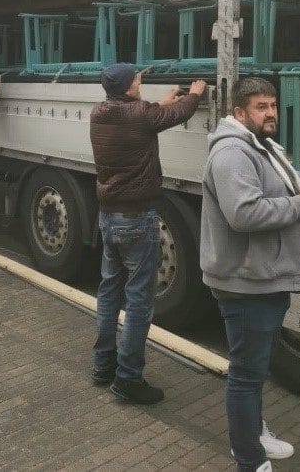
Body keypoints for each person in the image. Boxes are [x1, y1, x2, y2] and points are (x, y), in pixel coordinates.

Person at [200, 77, 300, 472]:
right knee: (246, 375)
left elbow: (287, 179)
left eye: (273, 105)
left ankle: (253, 432)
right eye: (261, 107)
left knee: (254, 367)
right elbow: (243, 213)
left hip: (260, 279)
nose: (270, 113)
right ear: (239, 113)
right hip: (246, 285)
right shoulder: (232, 153)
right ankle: (249, 457)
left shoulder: (259, 146)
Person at [90, 62, 206, 404]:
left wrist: (164, 100)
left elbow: (150, 114)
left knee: (109, 292)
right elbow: (167, 115)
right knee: (139, 301)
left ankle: (102, 366)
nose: (141, 81)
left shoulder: (100, 112)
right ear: (128, 87)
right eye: (138, 79)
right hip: (137, 220)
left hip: (109, 217)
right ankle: (128, 379)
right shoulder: (140, 115)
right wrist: (195, 94)